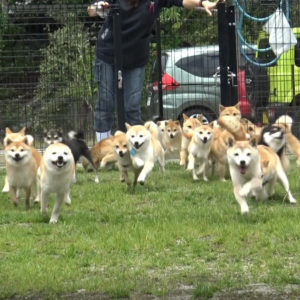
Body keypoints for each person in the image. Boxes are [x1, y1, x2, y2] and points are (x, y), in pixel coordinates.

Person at [88, 0, 221, 142]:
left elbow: (183, 1)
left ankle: (136, 150)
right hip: (108, 54)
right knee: (105, 102)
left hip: (136, 59)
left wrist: (202, 2)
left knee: (132, 106)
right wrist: (98, 8)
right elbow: (90, 10)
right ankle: (103, 147)